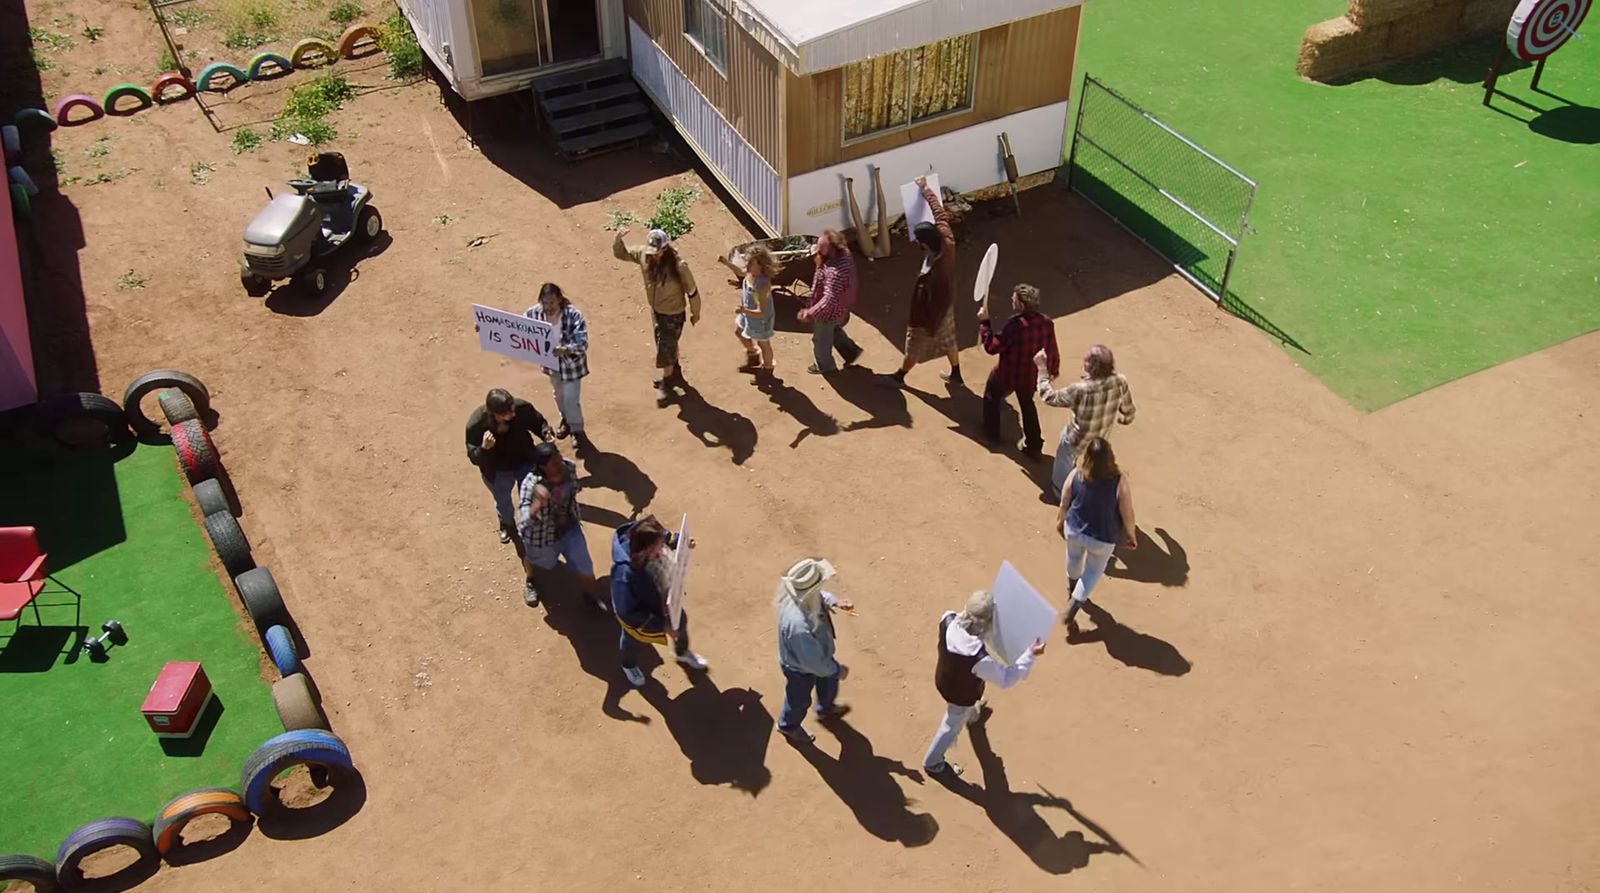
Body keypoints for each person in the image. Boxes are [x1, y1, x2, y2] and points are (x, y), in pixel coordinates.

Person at [922, 591, 1045, 778]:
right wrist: (1030, 653)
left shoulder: (948, 618)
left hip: (944, 678)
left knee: (966, 706)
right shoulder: (978, 658)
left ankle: (972, 715)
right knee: (951, 725)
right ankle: (932, 762)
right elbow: (1006, 679)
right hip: (960, 695)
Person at [609, 515, 707, 688]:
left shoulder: (645, 536)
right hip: (639, 619)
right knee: (631, 641)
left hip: (664, 599)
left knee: (681, 622)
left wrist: (681, 542)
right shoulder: (624, 577)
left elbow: (666, 537)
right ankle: (629, 665)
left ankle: (682, 652)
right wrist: (662, 626)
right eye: (657, 547)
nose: (662, 550)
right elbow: (627, 612)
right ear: (644, 550)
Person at [886, 176, 961, 388]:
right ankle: (956, 372)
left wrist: (925, 324)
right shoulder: (946, 237)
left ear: (925, 244)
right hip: (946, 304)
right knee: (949, 339)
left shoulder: (934, 273)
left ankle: (900, 375)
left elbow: (931, 302)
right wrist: (925, 188)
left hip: (930, 314)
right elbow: (939, 211)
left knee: (914, 346)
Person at [613, 227, 701, 406]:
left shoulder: (679, 266)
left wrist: (695, 313)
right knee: (666, 343)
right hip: (656, 311)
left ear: (665, 248)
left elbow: (692, 292)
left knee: (665, 347)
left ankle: (666, 384)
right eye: (652, 251)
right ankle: (674, 370)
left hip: (674, 314)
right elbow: (622, 254)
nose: (654, 256)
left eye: (658, 252)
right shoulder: (644, 255)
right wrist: (617, 241)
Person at [1036, 344, 1137, 498]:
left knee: (1066, 455)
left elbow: (1049, 397)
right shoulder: (1120, 381)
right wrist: (1127, 418)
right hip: (1100, 437)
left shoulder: (1080, 389)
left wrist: (1042, 369)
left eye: (1087, 361)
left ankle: (1059, 491)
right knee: (1094, 462)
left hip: (1077, 439)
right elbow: (1128, 408)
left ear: (1092, 367)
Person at [1057, 437, 1137, 627]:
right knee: (1093, 571)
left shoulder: (1077, 474)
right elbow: (1128, 512)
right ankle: (1075, 602)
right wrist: (1131, 534)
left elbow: (1065, 499)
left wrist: (1060, 520)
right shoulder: (1119, 481)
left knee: (1073, 558)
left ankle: (1072, 586)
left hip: (1074, 529)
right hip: (1103, 538)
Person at [775, 557, 854, 744]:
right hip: (800, 668)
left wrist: (835, 602)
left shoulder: (799, 595)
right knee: (799, 700)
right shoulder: (798, 626)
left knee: (827, 683)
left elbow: (818, 596)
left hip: (820, 656)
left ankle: (825, 709)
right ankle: (787, 726)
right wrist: (836, 670)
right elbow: (812, 662)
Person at [517, 442, 604, 611]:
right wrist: (537, 505)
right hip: (543, 539)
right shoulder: (530, 486)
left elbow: (574, 490)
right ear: (542, 467)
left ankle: (590, 597)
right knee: (538, 563)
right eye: (555, 465)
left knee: (585, 565)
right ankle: (531, 581)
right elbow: (523, 528)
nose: (561, 466)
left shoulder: (569, 468)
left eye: (560, 460)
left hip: (570, 528)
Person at [978, 283, 1059, 459]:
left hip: (1009, 374)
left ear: (1021, 305)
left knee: (992, 396)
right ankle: (1034, 446)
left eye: (1014, 298)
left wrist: (985, 323)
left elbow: (992, 347)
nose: (1011, 300)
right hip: (1031, 376)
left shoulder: (1014, 327)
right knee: (1027, 404)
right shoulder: (1046, 322)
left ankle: (992, 436)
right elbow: (1052, 348)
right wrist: (1052, 369)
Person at [464, 388, 554, 544]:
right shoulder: (477, 425)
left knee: (530, 496)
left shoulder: (520, 409)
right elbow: (474, 456)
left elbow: (537, 422)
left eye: (512, 409)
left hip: (524, 461)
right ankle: (507, 525)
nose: (513, 414)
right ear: (494, 414)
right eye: (507, 412)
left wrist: (545, 432)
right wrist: (484, 449)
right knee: (503, 502)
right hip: (498, 472)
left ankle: (532, 527)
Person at [525, 283, 590, 447]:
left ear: (559, 300)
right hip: (551, 366)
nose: (548, 307)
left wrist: (565, 350)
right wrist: (484, 327)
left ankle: (576, 430)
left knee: (570, 399)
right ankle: (566, 419)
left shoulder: (574, 315)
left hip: (571, 367)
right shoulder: (534, 313)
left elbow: (583, 343)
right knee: (559, 395)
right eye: (545, 303)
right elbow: (512, 327)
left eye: (552, 303)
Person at [797, 229, 863, 374]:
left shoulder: (835, 273)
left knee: (820, 339)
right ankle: (851, 352)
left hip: (830, 310)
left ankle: (825, 365)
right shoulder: (844, 254)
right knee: (833, 329)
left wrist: (811, 312)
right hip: (842, 306)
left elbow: (829, 299)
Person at [734, 244, 778, 373]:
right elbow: (739, 272)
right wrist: (726, 263)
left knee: (763, 344)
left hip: (760, 320)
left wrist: (743, 310)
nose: (747, 265)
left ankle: (768, 370)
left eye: (751, 263)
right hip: (747, 314)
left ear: (761, 265)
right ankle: (753, 356)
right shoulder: (750, 274)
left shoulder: (763, 285)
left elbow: (761, 312)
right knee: (739, 332)